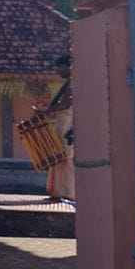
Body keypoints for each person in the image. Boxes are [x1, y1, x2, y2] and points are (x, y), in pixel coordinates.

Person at [43, 54, 75, 202]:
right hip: (62, 123)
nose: (57, 71)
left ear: (68, 67)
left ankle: (71, 193)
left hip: (68, 124)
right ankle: (57, 192)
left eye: (59, 67)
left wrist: (44, 112)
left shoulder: (75, 81)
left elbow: (65, 104)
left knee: (66, 158)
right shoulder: (68, 82)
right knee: (57, 157)